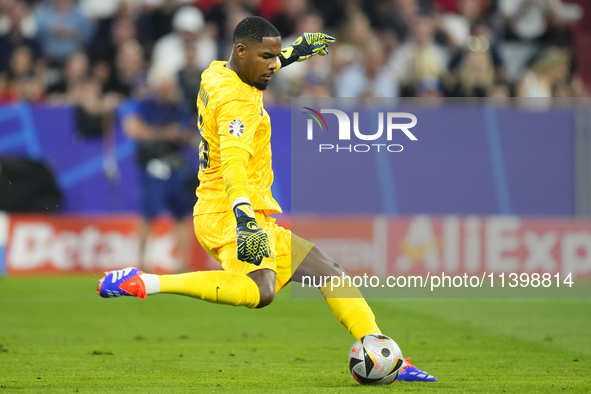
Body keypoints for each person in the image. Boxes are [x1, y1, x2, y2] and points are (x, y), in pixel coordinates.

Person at [98, 16, 436, 383]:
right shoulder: (236, 103)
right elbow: (234, 165)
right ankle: (146, 282)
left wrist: (293, 52)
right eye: (267, 57)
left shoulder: (216, 72)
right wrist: (243, 216)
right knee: (262, 292)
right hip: (228, 210)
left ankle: (386, 355)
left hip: (247, 209)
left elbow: (254, 68)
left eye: (275, 57)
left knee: (328, 270)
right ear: (241, 52)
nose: (274, 65)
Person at [119, 66, 196, 271]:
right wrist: (165, 133)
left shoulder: (178, 107)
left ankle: (182, 262)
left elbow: (188, 132)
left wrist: (181, 135)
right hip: (153, 164)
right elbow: (133, 129)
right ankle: (142, 262)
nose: (168, 90)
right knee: (148, 213)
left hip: (176, 164)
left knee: (182, 213)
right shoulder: (144, 105)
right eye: (165, 86)